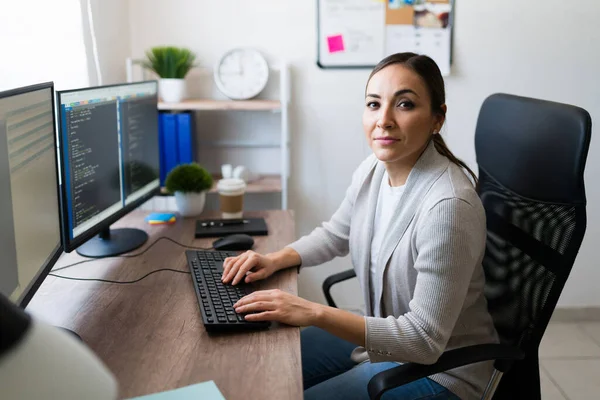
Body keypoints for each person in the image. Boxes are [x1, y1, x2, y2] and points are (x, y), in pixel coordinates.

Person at [221, 52, 498, 400]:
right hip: (386, 342)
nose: (383, 120)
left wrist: (312, 312)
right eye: (373, 104)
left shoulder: (448, 207)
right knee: (263, 361)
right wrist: (276, 259)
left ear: (437, 118)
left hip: (443, 371)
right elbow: (337, 233)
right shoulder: (374, 169)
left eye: (405, 105)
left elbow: (424, 340)